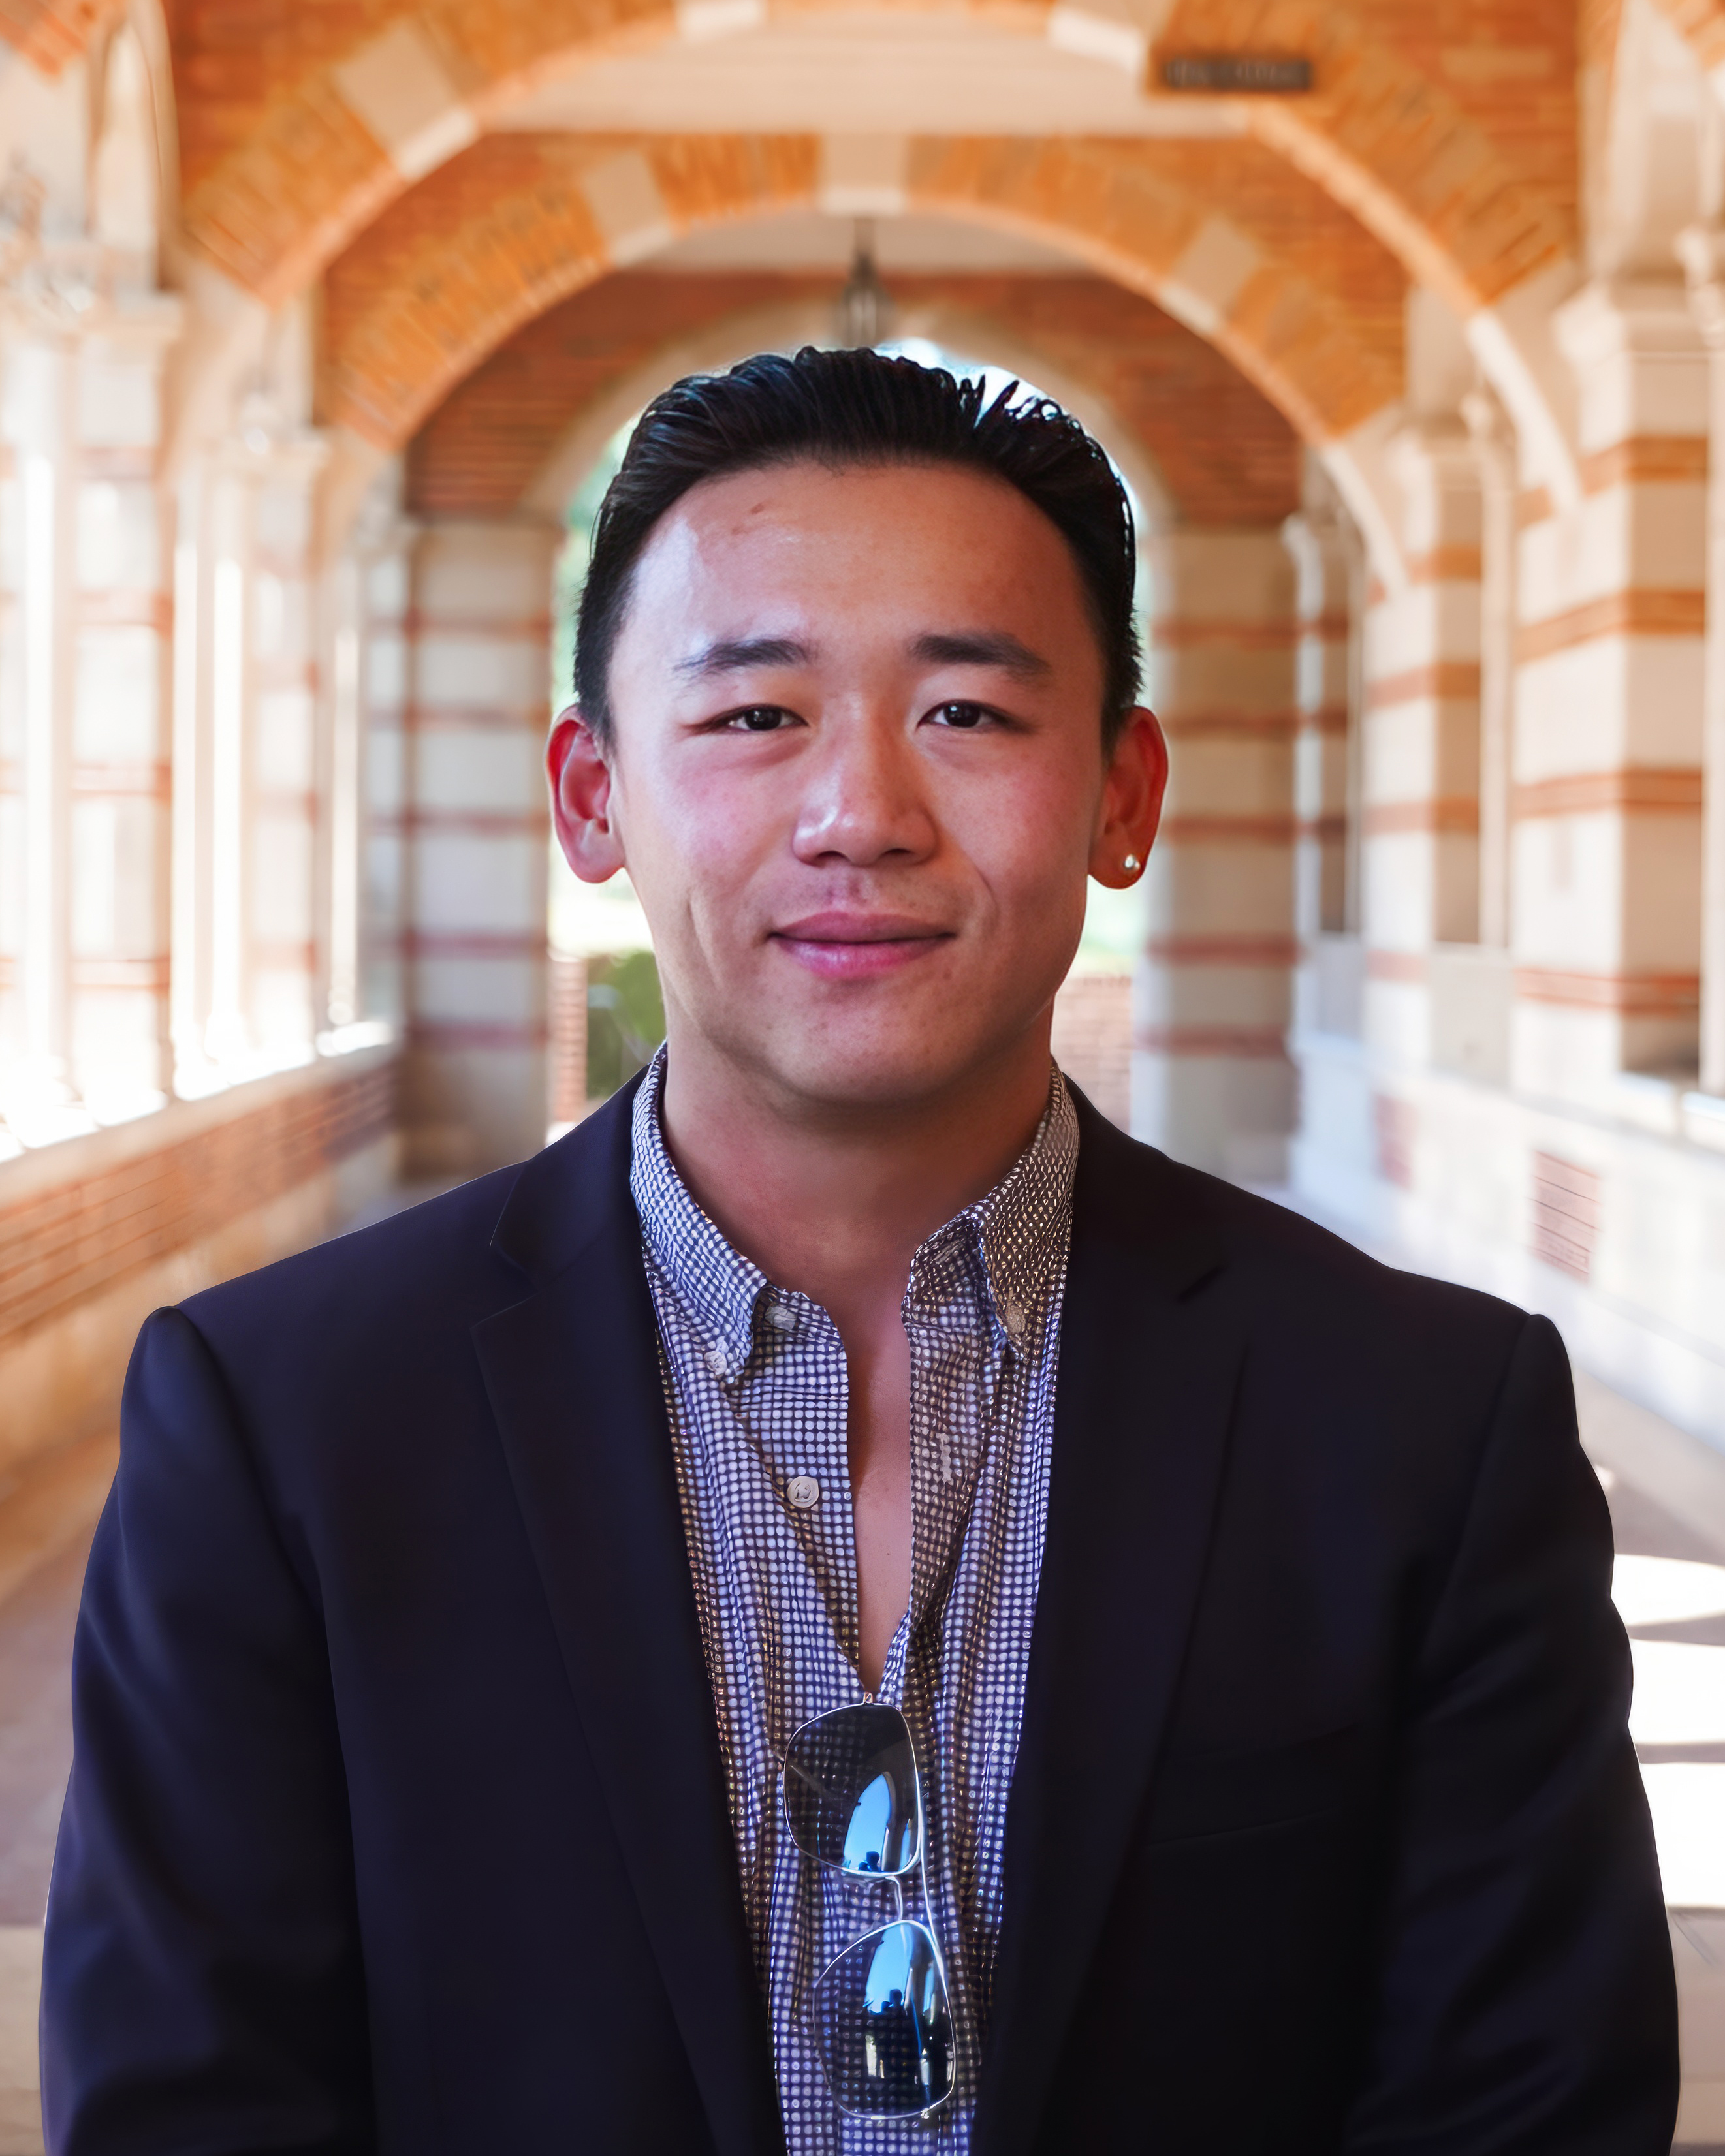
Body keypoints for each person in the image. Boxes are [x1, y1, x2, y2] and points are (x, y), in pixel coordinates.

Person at [41, 348, 1677, 2155]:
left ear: (1124, 796)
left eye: (968, 713)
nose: (862, 814)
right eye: (754, 717)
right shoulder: (282, 1426)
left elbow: (1521, 2108)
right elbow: (198, 2107)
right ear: (592, 798)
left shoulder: (1421, 1429)